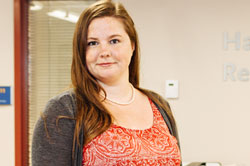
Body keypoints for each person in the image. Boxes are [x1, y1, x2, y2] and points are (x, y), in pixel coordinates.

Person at [32, 0, 182, 165]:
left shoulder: (159, 105)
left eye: (114, 41)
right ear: (81, 51)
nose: (104, 52)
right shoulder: (63, 111)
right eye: (93, 43)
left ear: (132, 45)